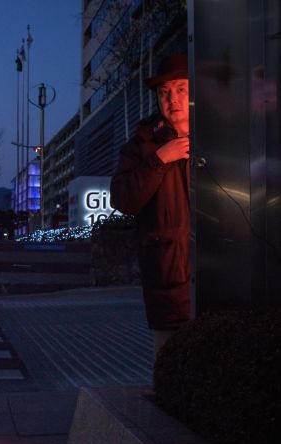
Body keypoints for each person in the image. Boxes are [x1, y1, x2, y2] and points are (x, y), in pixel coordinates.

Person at [110, 54, 190, 356]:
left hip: (217, 268)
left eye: (181, 89)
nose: (173, 99)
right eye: (164, 92)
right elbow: (123, 200)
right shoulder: (142, 145)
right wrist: (159, 160)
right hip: (167, 267)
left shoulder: (219, 136)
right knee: (169, 355)